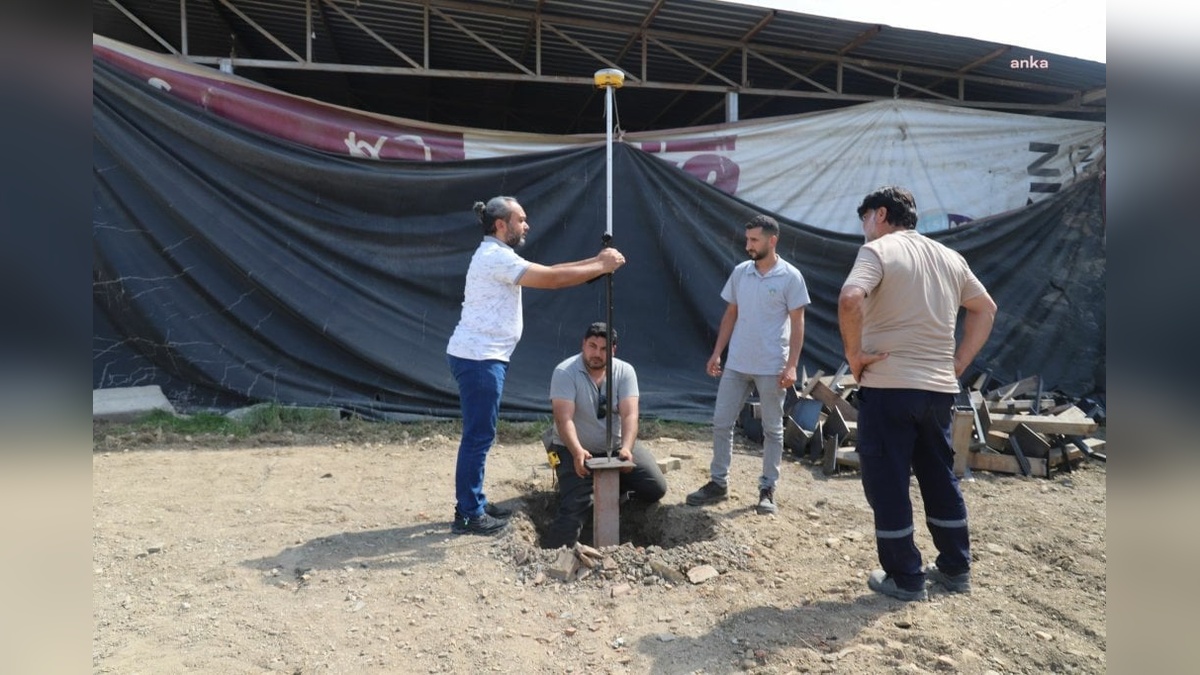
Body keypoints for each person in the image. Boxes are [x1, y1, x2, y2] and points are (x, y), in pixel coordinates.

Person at [838, 186, 997, 601]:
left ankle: (905, 577)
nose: (864, 229)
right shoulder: (950, 257)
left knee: (888, 481)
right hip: (938, 390)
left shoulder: (878, 251)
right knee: (939, 475)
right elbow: (986, 308)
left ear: (880, 214)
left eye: (865, 219)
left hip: (889, 386)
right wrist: (959, 363)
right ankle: (956, 568)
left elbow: (850, 299)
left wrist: (854, 355)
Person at [446, 196, 626, 536]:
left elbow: (553, 271)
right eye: (521, 219)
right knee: (478, 437)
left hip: (482, 357)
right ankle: (468, 514)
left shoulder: (498, 254)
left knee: (481, 434)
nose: (527, 225)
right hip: (479, 359)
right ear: (501, 224)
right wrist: (600, 265)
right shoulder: (495, 257)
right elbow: (553, 278)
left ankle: (474, 502)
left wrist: (598, 262)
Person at [686, 215, 810, 515]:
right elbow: (731, 313)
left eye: (754, 240)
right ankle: (718, 482)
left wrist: (792, 365)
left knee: (772, 430)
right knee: (721, 422)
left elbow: (798, 323)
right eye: (747, 239)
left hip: (772, 366)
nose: (748, 245)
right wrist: (717, 353)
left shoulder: (791, 277)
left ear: (772, 240)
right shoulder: (741, 272)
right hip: (737, 363)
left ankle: (768, 489)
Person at [543, 322, 668, 549]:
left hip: (615, 445)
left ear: (613, 350)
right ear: (583, 344)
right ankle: (553, 554)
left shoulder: (625, 372)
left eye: (603, 349)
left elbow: (630, 414)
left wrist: (627, 448)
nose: (597, 354)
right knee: (578, 503)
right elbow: (563, 419)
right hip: (571, 447)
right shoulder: (565, 372)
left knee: (655, 487)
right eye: (592, 346)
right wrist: (577, 451)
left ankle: (612, 492)